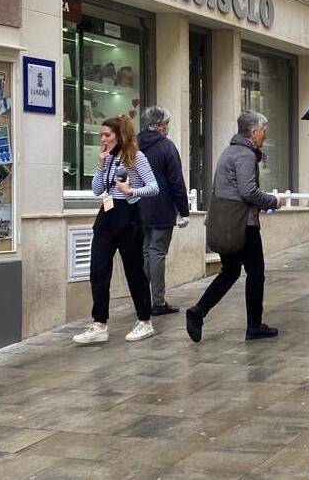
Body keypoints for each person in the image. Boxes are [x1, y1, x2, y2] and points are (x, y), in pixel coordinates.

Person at [186, 110, 282, 343]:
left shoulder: (230, 151)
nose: (265, 136)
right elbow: (248, 191)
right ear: (253, 132)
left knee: (230, 271)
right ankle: (254, 326)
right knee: (255, 272)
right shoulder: (245, 155)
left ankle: (198, 311)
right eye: (263, 131)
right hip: (242, 224)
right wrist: (272, 201)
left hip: (227, 221)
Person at [73, 115, 160, 344]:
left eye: (107, 135)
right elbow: (96, 189)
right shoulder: (108, 159)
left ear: (120, 136)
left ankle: (144, 320)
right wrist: (100, 165)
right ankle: (99, 323)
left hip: (129, 217)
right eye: (101, 135)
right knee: (98, 270)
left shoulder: (136, 157)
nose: (103, 139)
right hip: (107, 215)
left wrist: (132, 191)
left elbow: (154, 187)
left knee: (133, 271)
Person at [137, 106, 190, 316]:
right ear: (158, 125)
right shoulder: (167, 147)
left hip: (138, 207)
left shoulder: (134, 143)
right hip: (161, 208)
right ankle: (157, 302)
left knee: (146, 253)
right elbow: (177, 181)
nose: (167, 128)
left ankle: (141, 298)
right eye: (166, 124)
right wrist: (183, 211)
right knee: (157, 253)